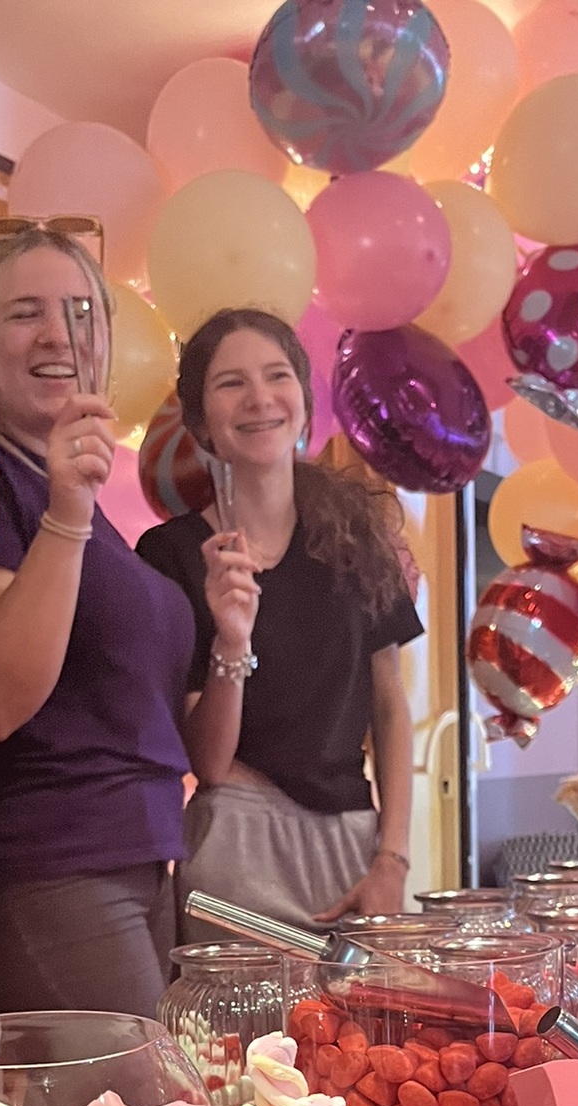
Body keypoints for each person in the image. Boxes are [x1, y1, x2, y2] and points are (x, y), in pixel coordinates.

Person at [0, 227, 194, 1017]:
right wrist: (65, 513)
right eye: (26, 313)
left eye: (83, 313)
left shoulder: (81, 498)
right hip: (50, 860)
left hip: (138, 853)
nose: (59, 334)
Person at [136, 307, 420, 932]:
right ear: (199, 421)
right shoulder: (169, 556)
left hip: (353, 846)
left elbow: (391, 706)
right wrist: (231, 638)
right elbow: (206, 763)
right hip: (235, 844)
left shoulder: (358, 537)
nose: (259, 398)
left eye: (277, 376)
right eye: (230, 383)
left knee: (360, 1033)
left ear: (303, 397)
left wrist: (393, 859)